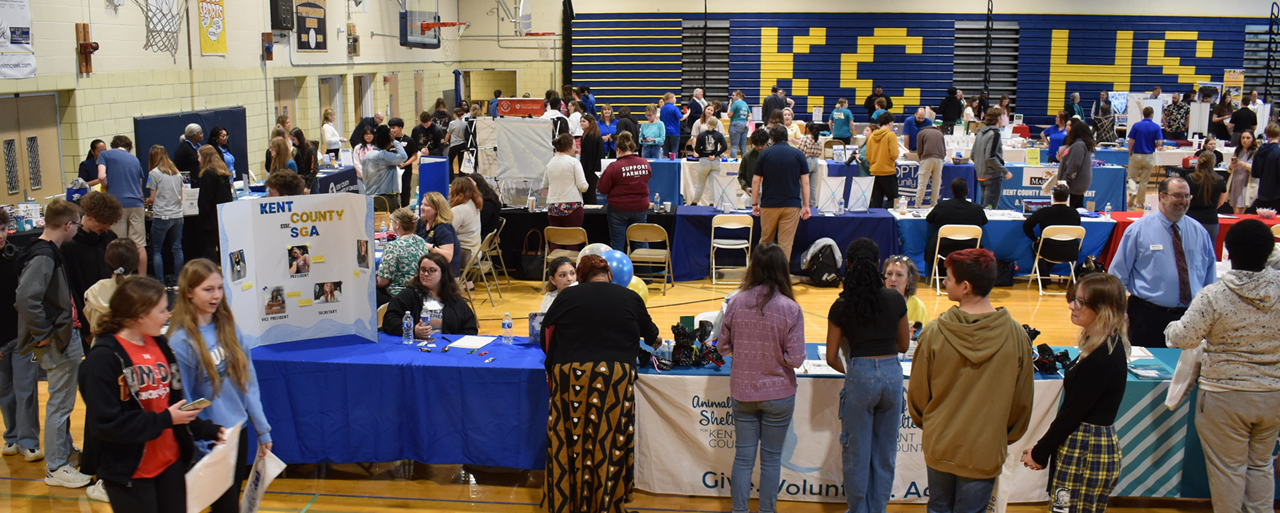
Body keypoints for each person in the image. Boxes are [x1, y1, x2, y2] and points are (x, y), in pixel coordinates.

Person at [1164, 219, 1280, 513]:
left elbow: (1183, 337)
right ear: (1269, 253)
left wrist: (1169, 328)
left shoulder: (1213, 295)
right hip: (1273, 396)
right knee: (1261, 465)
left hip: (1224, 395)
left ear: (1227, 252)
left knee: (1228, 471)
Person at [79, 276, 225, 510]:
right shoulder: (102, 360)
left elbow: (173, 405)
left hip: (171, 464)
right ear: (139, 314)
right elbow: (106, 424)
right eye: (161, 310)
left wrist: (206, 430)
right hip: (130, 473)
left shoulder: (160, 345)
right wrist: (165, 420)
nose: (167, 315)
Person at [907, 248, 1034, 512]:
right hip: (985, 449)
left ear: (965, 287)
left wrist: (931, 426)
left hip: (941, 443)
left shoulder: (933, 333)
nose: (943, 282)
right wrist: (999, 436)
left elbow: (918, 395)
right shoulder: (1017, 337)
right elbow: (1022, 401)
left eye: (948, 278)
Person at [540, 254, 659, 513]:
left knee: (569, 439)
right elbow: (652, 336)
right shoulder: (630, 297)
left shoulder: (567, 297)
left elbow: (544, 335)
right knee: (608, 439)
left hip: (570, 375)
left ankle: (566, 500)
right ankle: (606, 502)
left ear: (580, 279)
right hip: (613, 376)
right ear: (610, 276)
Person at [167, 259, 272, 513]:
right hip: (212, 439)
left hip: (238, 431)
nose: (216, 296)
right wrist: (202, 447)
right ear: (189, 292)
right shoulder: (181, 342)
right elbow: (187, 400)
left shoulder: (229, 329)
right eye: (208, 289)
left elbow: (247, 381)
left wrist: (262, 429)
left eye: (219, 288)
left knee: (232, 503)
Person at [1020, 274, 1130, 513]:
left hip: (1086, 452)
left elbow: (1071, 413)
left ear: (1103, 308)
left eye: (1080, 302)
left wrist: (1040, 452)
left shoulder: (1102, 358)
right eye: (1073, 299)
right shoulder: (1100, 344)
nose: (1071, 306)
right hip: (1082, 447)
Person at [718, 243, 805, 513]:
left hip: (743, 392)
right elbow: (796, 359)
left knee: (743, 459)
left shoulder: (736, 302)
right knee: (771, 460)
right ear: (782, 270)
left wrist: (744, 351)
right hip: (779, 393)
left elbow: (722, 346)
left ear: (753, 267)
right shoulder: (790, 308)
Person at [825, 238, 908, 513]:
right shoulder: (895, 299)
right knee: (885, 454)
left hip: (859, 375)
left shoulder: (841, 305)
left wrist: (854, 372)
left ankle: (858, 509)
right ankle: (878, 509)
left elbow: (831, 356)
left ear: (847, 264)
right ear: (877, 265)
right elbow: (903, 345)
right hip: (893, 377)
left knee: (856, 453)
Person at [14, 199, 92, 488]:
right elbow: (25, 298)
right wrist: (44, 332)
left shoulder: (46, 251)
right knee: (60, 403)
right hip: (57, 339)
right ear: (68, 225)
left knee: (64, 402)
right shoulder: (44, 255)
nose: (79, 228)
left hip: (61, 335)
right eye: (77, 223)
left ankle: (65, 452)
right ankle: (56, 466)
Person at [1108, 177, 1217, 347]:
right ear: (1162, 197)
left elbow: (1209, 276)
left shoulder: (1199, 232)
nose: (1184, 201)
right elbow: (1117, 275)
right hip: (1147, 317)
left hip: (1190, 317)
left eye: (1187, 196)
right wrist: (1118, 311)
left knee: (1185, 370)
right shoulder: (1138, 231)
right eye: (1178, 196)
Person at [0, 209, 43, 465]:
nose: (1, 235)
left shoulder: (16, 257)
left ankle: (29, 442)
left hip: (21, 337)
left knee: (26, 390)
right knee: (5, 392)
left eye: (3, 229)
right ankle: (12, 436)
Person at [60, 191, 121, 348]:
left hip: (113, 316)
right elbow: (72, 288)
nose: (107, 227)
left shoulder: (110, 238)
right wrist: (87, 329)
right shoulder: (70, 245)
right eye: (104, 222)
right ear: (89, 215)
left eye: (110, 223)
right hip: (89, 318)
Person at [383, 251, 478, 338]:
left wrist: (454, 343)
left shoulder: (453, 298)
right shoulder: (410, 294)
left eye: (432, 270)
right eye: (423, 270)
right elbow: (389, 320)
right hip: (416, 347)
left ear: (443, 273)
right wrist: (412, 330)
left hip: (446, 348)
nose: (426, 274)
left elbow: (470, 328)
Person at [752, 125, 811, 263]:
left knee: (766, 242)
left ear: (772, 139)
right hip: (792, 205)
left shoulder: (764, 155)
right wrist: (806, 206)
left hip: (769, 204)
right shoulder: (798, 154)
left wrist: (755, 203)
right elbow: (805, 183)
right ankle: (781, 277)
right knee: (785, 244)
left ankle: (762, 274)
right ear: (787, 138)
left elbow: (756, 181)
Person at [96, 135, 149, 277]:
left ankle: (122, 278)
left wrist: (109, 187)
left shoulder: (105, 154)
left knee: (119, 245)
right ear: (129, 147)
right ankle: (142, 279)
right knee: (139, 245)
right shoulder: (135, 159)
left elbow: (101, 176)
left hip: (117, 203)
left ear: (113, 145)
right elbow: (139, 186)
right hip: (136, 203)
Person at [598, 133, 652, 252]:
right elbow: (647, 177)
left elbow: (602, 188)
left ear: (618, 150)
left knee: (617, 243)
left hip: (618, 209)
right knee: (641, 242)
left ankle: (617, 271)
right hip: (640, 207)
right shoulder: (644, 163)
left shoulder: (614, 166)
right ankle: (645, 270)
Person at [925, 178, 988, 274]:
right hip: (970, 247)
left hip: (944, 248)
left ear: (952, 191)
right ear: (967, 191)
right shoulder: (976, 208)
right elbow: (984, 221)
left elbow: (929, 219)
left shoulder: (942, 205)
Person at [1023, 184, 1082, 279]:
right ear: (1067, 197)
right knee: (1054, 246)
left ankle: (1044, 278)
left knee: (1038, 245)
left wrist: (1034, 238)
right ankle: (1045, 276)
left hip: (1048, 251)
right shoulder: (1074, 213)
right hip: (1071, 251)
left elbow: (1026, 226)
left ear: (1053, 196)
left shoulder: (1044, 211)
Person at [146, 145, 184, 286]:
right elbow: (181, 196)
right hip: (178, 215)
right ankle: (177, 281)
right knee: (177, 249)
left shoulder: (153, 173)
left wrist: (146, 201)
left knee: (157, 250)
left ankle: (160, 282)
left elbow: (152, 198)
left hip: (162, 216)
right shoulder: (177, 173)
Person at [376, 208, 430, 306]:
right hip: (420, 293)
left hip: (399, 296)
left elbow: (382, 282)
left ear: (397, 225)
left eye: (391, 221)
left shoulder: (393, 247)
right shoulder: (421, 241)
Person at [543, 133, 589, 244]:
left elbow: (545, 184)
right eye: (574, 145)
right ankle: (571, 261)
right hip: (572, 206)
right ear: (569, 147)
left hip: (553, 206)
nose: (576, 147)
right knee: (572, 241)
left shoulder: (550, 163)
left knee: (556, 240)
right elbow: (583, 186)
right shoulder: (574, 162)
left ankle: (553, 260)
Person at [196, 145, 234, 262]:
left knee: (210, 247)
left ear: (204, 157)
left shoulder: (208, 174)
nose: (198, 159)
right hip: (223, 215)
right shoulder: (223, 173)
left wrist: (202, 216)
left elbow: (206, 199)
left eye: (199, 156)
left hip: (211, 219)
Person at [973, 107, 1013, 209]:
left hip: (981, 176)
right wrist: (1005, 171)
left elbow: (973, 155)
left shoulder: (980, 133)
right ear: (999, 118)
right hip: (992, 177)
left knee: (985, 208)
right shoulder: (995, 134)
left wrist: (981, 168)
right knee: (990, 210)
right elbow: (990, 157)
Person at [415, 192, 463, 277]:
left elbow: (447, 257)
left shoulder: (443, 228)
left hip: (445, 273)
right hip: (428, 267)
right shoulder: (422, 222)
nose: (421, 207)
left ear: (437, 209)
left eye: (426, 205)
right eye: (422, 204)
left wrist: (430, 247)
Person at [1127, 108, 1166, 210]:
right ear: (1152, 115)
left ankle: (1132, 191)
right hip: (1148, 156)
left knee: (1131, 177)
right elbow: (1159, 143)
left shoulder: (1136, 125)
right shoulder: (1156, 127)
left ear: (1143, 114)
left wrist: (1130, 153)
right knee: (1144, 181)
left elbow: (1131, 141)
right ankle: (1140, 203)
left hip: (1136, 154)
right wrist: (1153, 146)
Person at [362, 125, 408, 210]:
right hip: (385, 198)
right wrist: (394, 141)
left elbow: (364, 177)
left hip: (370, 198)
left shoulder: (367, 156)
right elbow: (403, 156)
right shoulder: (383, 155)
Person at [1185, 153, 1228, 242]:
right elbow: (1221, 202)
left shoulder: (1189, 178)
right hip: (1210, 219)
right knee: (1210, 251)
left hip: (1191, 218)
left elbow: (1184, 199)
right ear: (1213, 163)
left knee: (1189, 250)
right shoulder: (1220, 179)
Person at [689, 115, 728, 205]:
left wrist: (703, 151)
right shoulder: (719, 135)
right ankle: (712, 202)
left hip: (704, 160)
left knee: (700, 184)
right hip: (715, 161)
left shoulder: (701, 135)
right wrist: (716, 154)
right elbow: (725, 146)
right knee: (713, 185)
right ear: (716, 125)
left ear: (707, 123)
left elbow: (697, 150)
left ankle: (695, 201)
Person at [1057, 119, 1096, 208]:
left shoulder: (1079, 145)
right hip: (1077, 186)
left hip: (1073, 186)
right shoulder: (1080, 144)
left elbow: (1073, 166)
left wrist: (1064, 183)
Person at [883, 254, 928, 327]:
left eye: (899, 275)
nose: (893, 279)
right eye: (889, 274)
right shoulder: (875, 303)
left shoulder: (918, 306)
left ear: (909, 280)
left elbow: (924, 336)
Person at [867, 112, 901, 208]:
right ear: (890, 123)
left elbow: (868, 156)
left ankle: (876, 221)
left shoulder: (872, 136)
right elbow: (894, 155)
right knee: (893, 200)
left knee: (876, 201)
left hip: (874, 171)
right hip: (887, 172)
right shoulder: (891, 135)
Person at [448, 176, 482, 267]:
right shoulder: (474, 205)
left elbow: (447, 234)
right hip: (476, 252)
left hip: (465, 255)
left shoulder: (458, 210)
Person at [388, 117, 420, 207]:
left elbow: (414, 156)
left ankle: (405, 210)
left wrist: (405, 163)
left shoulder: (409, 140)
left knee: (405, 191)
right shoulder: (389, 141)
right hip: (391, 171)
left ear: (400, 128)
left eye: (394, 127)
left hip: (405, 171)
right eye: (390, 127)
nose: (391, 130)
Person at [915, 114, 946, 207]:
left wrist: (921, 158)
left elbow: (919, 149)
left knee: (922, 183)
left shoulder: (921, 133)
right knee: (936, 183)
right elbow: (944, 150)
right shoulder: (940, 133)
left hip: (927, 158)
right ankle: (934, 204)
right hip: (940, 159)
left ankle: (917, 204)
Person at [1229, 131, 1259, 213]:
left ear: (1253, 140)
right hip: (1235, 182)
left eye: (1248, 138)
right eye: (1243, 138)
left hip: (1247, 183)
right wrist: (1231, 167)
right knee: (1235, 209)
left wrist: (1245, 165)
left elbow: (1258, 169)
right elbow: (1229, 168)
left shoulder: (1256, 152)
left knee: (1242, 209)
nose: (1245, 140)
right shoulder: (1237, 151)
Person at [1252, 124, 1280, 211]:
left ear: (1266, 134)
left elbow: (1255, 173)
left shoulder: (1259, 151)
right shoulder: (1278, 152)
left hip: (1262, 192)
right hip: (1276, 194)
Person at [580, 114, 606, 204]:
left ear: (590, 123)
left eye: (584, 121)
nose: (581, 123)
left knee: (590, 194)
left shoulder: (590, 137)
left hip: (591, 169)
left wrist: (585, 170)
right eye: (581, 121)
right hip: (593, 168)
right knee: (589, 194)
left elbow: (589, 157)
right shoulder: (589, 135)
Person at [737, 129, 769, 201]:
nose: (759, 147)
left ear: (767, 142)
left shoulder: (774, 154)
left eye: (762, 144)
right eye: (757, 145)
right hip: (753, 194)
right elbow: (741, 176)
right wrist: (746, 187)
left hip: (770, 194)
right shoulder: (747, 156)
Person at [467, 173, 502, 237]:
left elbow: (477, 225)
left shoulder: (486, 204)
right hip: (484, 235)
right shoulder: (490, 198)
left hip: (481, 238)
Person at [290, 128, 317, 193]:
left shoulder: (310, 149)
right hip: (300, 180)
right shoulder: (295, 149)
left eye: (293, 139)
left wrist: (308, 186)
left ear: (298, 138)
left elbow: (314, 169)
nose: (293, 142)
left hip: (309, 182)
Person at [726, 91, 752, 158]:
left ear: (738, 96)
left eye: (733, 95)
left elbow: (729, 114)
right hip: (744, 125)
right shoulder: (745, 104)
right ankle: (745, 163)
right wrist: (748, 123)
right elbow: (750, 116)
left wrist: (729, 105)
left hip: (736, 124)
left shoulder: (735, 103)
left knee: (734, 147)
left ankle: (733, 164)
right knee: (743, 147)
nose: (732, 97)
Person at [351, 125, 375, 190]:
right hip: (362, 178)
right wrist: (364, 175)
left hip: (375, 178)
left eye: (370, 134)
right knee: (363, 198)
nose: (368, 136)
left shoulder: (377, 147)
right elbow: (356, 163)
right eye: (366, 134)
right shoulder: (358, 148)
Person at [446, 108, 468, 177]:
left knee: (450, 161)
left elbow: (448, 134)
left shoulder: (452, 123)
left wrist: (446, 141)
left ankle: (451, 178)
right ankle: (462, 178)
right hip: (463, 144)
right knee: (461, 162)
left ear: (454, 114)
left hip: (454, 145)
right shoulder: (465, 123)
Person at [660, 92, 682, 158]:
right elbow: (680, 117)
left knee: (665, 150)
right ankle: (674, 164)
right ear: (670, 99)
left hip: (665, 131)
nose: (675, 99)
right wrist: (687, 114)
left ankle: (664, 164)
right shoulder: (675, 108)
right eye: (674, 98)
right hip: (674, 132)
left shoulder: (662, 109)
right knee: (674, 150)